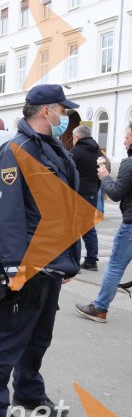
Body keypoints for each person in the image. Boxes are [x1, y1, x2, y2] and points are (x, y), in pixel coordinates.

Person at [0, 84, 81, 417]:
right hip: (28, 262)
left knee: (39, 335)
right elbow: (6, 215)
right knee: (7, 336)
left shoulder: (52, 150)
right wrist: (15, 266)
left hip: (52, 262)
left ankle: (29, 391)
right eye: (61, 111)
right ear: (45, 111)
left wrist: (69, 259)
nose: (64, 117)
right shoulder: (16, 151)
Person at [75, 123, 132, 323]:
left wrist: (105, 177)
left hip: (130, 225)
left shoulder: (128, 163)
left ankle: (99, 308)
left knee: (115, 266)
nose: (124, 141)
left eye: (127, 137)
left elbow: (115, 194)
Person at [69, 126, 102, 271]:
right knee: (89, 227)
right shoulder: (98, 151)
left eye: (73, 136)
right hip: (92, 193)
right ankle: (91, 260)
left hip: (77, 194)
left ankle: (74, 260)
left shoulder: (75, 152)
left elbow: (67, 172)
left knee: (74, 228)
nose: (72, 139)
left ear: (78, 137)